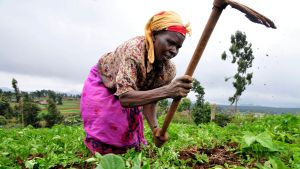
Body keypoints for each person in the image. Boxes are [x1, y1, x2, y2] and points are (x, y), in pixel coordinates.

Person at [80, 11, 193, 155]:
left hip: (131, 89)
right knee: (106, 125)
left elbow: (150, 101)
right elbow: (125, 98)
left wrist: (156, 130)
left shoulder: (168, 70)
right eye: (170, 42)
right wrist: (168, 91)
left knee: (127, 139)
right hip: (105, 81)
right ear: (153, 35)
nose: (174, 51)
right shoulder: (134, 52)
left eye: (178, 47)